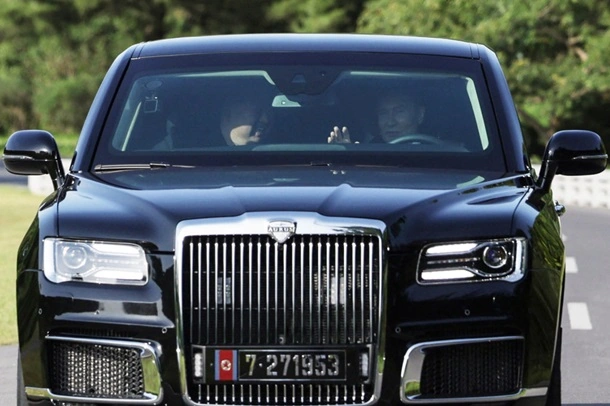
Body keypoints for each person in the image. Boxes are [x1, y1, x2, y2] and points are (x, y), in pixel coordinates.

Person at [328, 92, 426, 144]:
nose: (390, 122)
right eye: (383, 113)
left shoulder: (434, 155)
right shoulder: (369, 155)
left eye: (399, 111)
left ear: (420, 115)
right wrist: (347, 160)